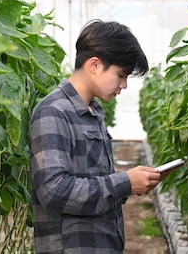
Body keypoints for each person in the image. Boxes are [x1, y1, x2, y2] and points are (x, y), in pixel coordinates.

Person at [28, 19, 161, 253]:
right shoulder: (53, 112)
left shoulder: (93, 112)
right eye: (121, 75)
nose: (124, 85)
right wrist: (124, 182)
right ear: (94, 65)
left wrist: (130, 185)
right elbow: (53, 190)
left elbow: (94, 182)